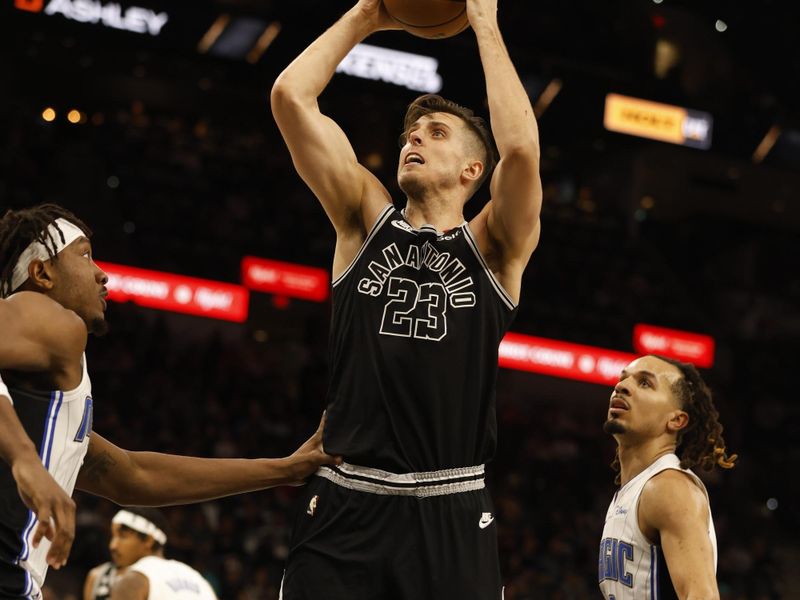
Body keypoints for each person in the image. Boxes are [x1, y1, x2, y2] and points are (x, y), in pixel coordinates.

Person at [270, 0, 542, 596]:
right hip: (346, 496)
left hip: (450, 503)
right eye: (410, 134)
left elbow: (520, 152)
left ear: (473, 169)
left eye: (435, 133)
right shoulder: (363, 219)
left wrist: (485, 24)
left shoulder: (494, 245)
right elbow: (291, 98)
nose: (414, 138)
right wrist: (366, 15)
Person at [0, 203, 341, 599]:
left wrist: (283, 469)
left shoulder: (42, 393)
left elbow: (133, 475)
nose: (101, 272)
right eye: (84, 254)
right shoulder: (55, 322)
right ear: (42, 273)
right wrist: (25, 460)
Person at [599, 355, 737, 600]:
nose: (622, 386)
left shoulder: (669, 488)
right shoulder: (633, 491)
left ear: (676, 419)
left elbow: (701, 596)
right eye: (623, 378)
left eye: (644, 383)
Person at [83, 507, 217, 600]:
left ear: (148, 540)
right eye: (112, 536)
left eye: (122, 536)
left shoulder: (133, 579)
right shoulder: (196, 577)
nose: (113, 545)